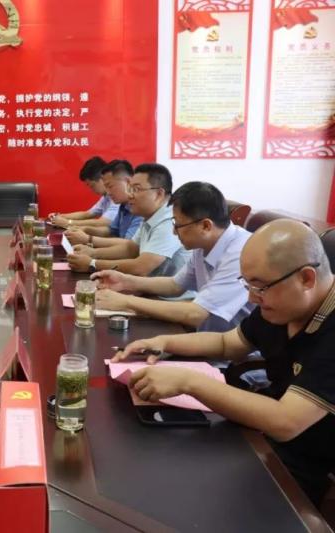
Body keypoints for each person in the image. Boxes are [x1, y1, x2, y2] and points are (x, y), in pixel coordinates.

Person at [115, 220, 335, 507]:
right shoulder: (284, 304)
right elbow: (226, 343)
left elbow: (286, 422)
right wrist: (163, 342)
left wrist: (189, 382)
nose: (251, 297)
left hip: (303, 461)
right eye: (248, 284)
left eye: (260, 287)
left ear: (306, 278)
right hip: (263, 435)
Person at [91, 182, 253, 330]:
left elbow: (196, 314)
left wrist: (126, 302)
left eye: (178, 225)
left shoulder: (241, 254)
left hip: (228, 349)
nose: (174, 232)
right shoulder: (204, 243)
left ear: (205, 226)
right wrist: (126, 281)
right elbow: (175, 285)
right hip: (207, 337)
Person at [67, 163, 189, 277]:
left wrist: (92, 264)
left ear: (159, 194)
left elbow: (141, 267)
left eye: (136, 189)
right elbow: (130, 248)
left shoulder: (169, 221)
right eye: (130, 189)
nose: (130, 195)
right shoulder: (150, 215)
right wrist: (93, 253)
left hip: (164, 293)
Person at [64, 160, 142, 240]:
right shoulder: (123, 205)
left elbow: (128, 244)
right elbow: (111, 231)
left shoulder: (141, 208)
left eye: (110, 186)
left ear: (128, 182)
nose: (108, 192)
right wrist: (87, 230)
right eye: (106, 187)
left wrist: (89, 240)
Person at [48, 156, 118, 229]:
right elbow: (88, 214)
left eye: (92, 186)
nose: (91, 190)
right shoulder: (106, 196)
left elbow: (104, 222)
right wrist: (60, 216)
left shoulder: (116, 196)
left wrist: (68, 223)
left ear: (102, 179)